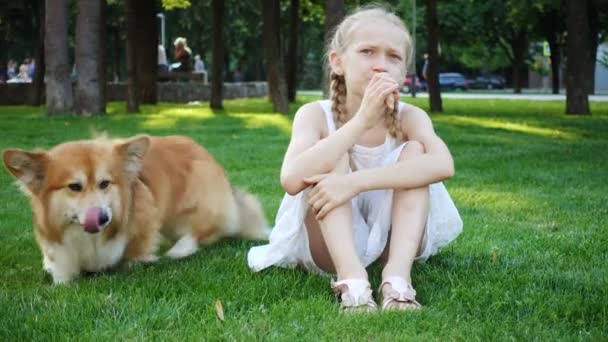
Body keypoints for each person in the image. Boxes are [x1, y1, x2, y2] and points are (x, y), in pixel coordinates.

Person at [248, 6, 462, 312]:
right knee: (329, 153)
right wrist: (361, 121)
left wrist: (354, 182)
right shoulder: (313, 115)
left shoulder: (410, 117)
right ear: (337, 62)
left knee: (417, 154)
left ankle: (397, 278)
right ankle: (352, 280)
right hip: (329, 247)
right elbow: (292, 179)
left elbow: (443, 165)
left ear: (403, 73)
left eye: (393, 56)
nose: (380, 65)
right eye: (368, 51)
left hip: (393, 241)